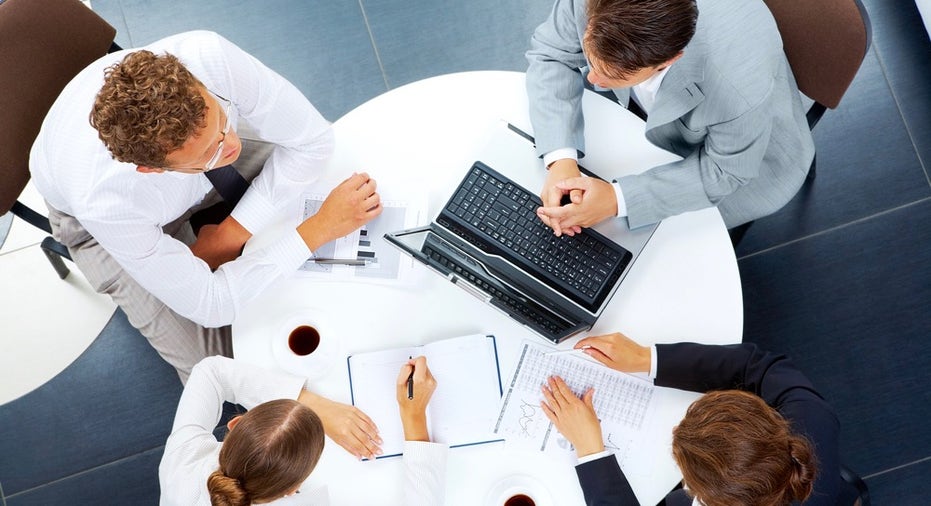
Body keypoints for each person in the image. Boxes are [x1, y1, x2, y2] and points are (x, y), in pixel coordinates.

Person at [29, 31, 382, 384]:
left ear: (195, 79)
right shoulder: (105, 202)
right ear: (152, 168)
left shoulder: (208, 57)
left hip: (191, 162)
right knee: (217, 369)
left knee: (333, 176)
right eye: (209, 152)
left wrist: (227, 236)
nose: (231, 146)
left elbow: (314, 142)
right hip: (99, 226)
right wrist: (317, 230)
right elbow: (212, 304)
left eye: (222, 121)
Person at [526, 0, 815, 234]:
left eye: (613, 75)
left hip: (737, 159)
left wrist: (618, 200)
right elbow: (553, 53)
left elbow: (726, 172)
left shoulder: (736, 87)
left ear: (669, 60)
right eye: (591, 58)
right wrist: (561, 161)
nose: (592, 79)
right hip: (653, 120)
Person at [540, 332, 840, 505]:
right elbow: (757, 366)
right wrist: (649, 359)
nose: (675, 428)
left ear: (696, 490)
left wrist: (591, 452)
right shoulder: (812, 417)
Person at [159, 355, 447, 506]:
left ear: (235, 426)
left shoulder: (183, 463)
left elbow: (211, 371)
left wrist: (310, 402)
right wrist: (414, 418)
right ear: (293, 491)